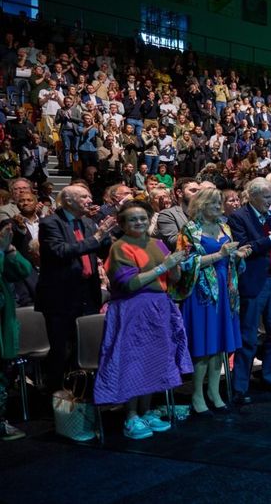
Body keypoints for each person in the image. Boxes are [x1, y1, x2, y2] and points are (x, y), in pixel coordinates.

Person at [94, 201, 191, 439]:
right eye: (133, 219)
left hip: (158, 307)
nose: (139, 222)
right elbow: (129, 283)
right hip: (132, 308)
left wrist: (176, 265)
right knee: (133, 361)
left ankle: (146, 411)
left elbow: (174, 277)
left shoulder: (157, 243)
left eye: (143, 218)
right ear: (122, 224)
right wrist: (164, 267)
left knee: (154, 361)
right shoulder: (120, 247)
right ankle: (130, 416)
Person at [174, 188, 251, 415]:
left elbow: (228, 257)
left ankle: (214, 391)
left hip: (226, 291)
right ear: (201, 205)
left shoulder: (223, 226)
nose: (219, 207)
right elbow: (184, 264)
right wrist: (220, 254)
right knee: (204, 346)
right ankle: (197, 393)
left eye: (220, 204)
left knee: (219, 346)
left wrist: (238, 255)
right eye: (214, 204)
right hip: (202, 292)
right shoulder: (190, 230)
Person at [36, 185, 118, 391]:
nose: (90, 200)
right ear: (68, 201)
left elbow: (103, 249)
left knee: (86, 347)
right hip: (61, 297)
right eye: (84, 196)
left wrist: (110, 237)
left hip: (87, 294)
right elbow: (61, 251)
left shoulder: (89, 223)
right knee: (61, 350)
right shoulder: (50, 223)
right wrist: (97, 237)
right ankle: (58, 400)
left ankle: (85, 394)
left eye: (90, 195)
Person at [228, 177, 271, 404]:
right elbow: (245, 247)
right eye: (266, 197)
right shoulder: (238, 217)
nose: (270, 200)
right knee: (248, 337)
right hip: (253, 282)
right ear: (252, 196)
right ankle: (240, 386)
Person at [0, 223, 35, 441]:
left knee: (2, 375)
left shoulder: (4, 249)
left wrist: (10, 249)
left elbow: (23, 270)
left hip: (4, 322)